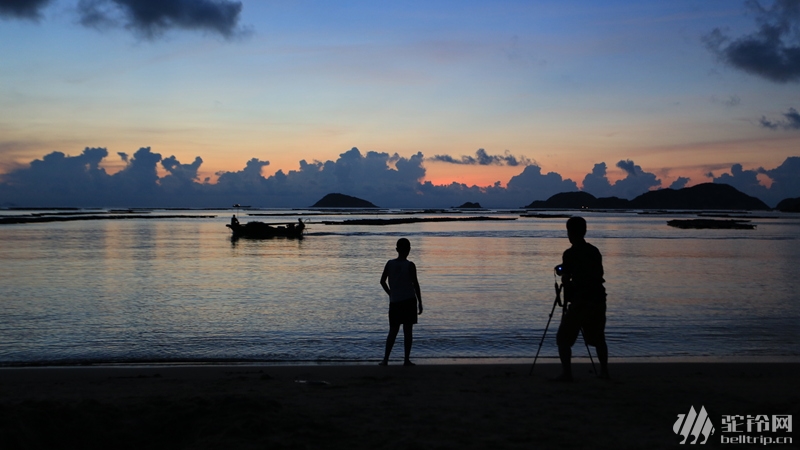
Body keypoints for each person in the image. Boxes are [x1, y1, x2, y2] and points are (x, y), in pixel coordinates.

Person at [555, 216, 609, 381]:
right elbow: (598, 274)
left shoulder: (570, 254)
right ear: (584, 231)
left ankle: (567, 374)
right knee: (598, 338)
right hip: (598, 299)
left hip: (580, 301)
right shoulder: (594, 251)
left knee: (563, 338)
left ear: (570, 232)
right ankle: (604, 372)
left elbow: (567, 277)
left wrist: (563, 274)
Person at [379, 238, 423, 366]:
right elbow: (416, 284)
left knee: (393, 331)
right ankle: (406, 360)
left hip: (395, 302)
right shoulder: (410, 265)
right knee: (407, 332)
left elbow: (382, 281)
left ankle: (386, 359)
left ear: (397, 249)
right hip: (409, 301)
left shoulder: (390, 263)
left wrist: (390, 293)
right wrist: (420, 302)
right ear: (408, 250)